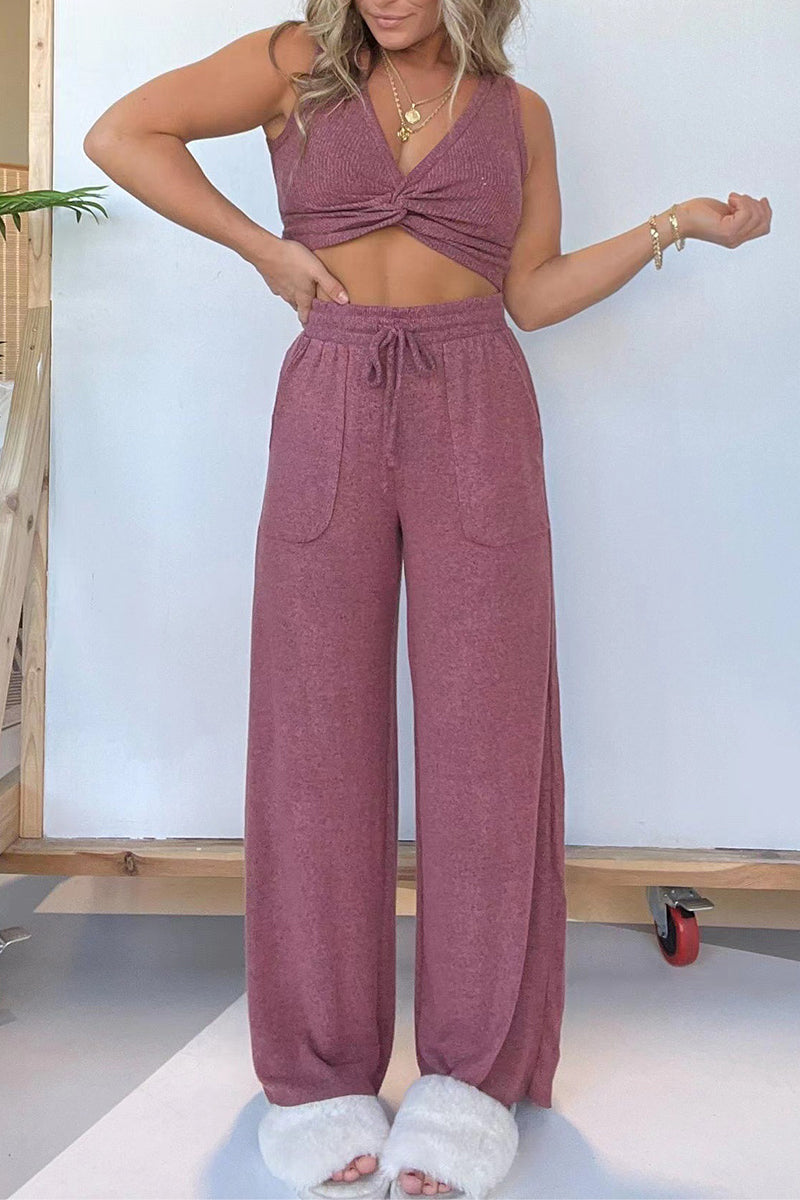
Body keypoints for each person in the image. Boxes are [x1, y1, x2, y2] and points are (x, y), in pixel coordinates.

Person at [83, 4, 771, 1197]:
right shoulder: (295, 66)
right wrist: (261, 248)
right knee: (313, 740)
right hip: (331, 391)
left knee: (486, 745)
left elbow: (533, 294)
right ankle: (317, 1077)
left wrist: (677, 224)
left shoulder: (518, 114)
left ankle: (469, 1081)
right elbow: (121, 134)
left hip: (476, 403)